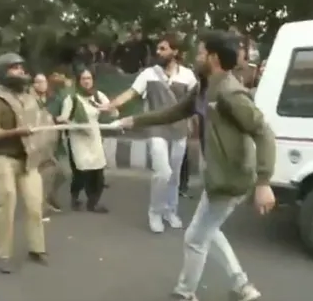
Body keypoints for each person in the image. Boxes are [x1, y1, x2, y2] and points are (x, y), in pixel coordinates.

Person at [115, 29, 277, 301]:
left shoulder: (230, 93)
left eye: (201, 52)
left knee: (195, 237)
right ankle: (242, 286)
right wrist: (133, 121)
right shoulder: (203, 87)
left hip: (232, 179)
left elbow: (264, 133)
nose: (196, 56)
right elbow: (174, 112)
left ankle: (185, 292)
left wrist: (264, 182)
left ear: (213, 57)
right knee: (208, 230)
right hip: (217, 177)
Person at [98, 32, 198, 233]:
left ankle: (170, 211)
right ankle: (155, 212)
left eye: (163, 48)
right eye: (158, 48)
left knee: (175, 175)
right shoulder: (149, 74)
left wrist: (195, 127)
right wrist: (111, 104)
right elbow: (131, 93)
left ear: (175, 51)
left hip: (179, 129)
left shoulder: (187, 75)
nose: (158, 52)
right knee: (163, 172)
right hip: (156, 128)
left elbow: (196, 102)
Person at [0, 52, 57, 273]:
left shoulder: (30, 97)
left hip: (28, 160)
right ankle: (2, 254)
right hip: (1, 158)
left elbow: (42, 122)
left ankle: (37, 248)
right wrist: (17, 132)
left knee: (35, 205)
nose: (21, 71)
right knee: (6, 205)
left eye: (22, 67)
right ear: (3, 72)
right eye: (15, 68)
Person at [58, 67, 118, 213]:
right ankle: (75, 198)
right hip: (77, 139)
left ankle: (94, 203)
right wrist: (77, 126)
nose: (86, 81)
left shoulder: (98, 96)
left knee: (98, 173)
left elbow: (114, 112)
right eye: (83, 78)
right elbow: (64, 120)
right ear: (79, 81)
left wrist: (107, 109)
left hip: (94, 138)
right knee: (81, 173)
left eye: (89, 78)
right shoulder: (72, 98)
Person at [29, 72, 66, 217]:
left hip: (55, 141)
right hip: (38, 143)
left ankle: (51, 196)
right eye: (37, 82)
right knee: (43, 175)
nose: (41, 84)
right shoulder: (30, 100)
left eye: (43, 81)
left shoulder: (55, 99)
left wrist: (61, 119)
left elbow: (64, 114)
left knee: (64, 172)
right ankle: (41, 208)